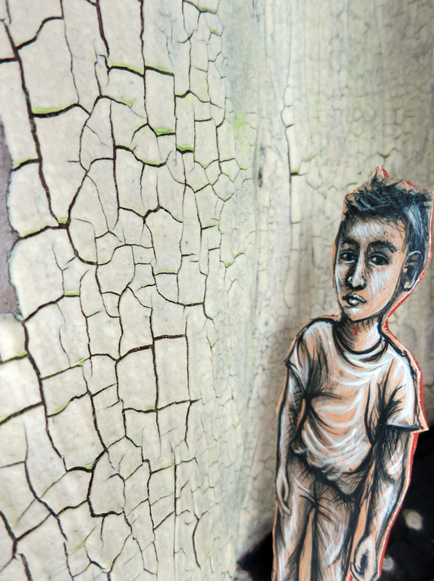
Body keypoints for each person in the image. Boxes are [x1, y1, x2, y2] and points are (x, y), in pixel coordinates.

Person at [273, 168, 433, 581]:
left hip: (344, 496)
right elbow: (290, 408)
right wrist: (282, 468)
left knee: (327, 574)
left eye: (378, 258)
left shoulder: (397, 375)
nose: (355, 276)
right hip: (299, 472)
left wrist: (371, 536)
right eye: (348, 253)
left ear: (409, 273)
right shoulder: (314, 339)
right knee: (284, 565)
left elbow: (391, 470)